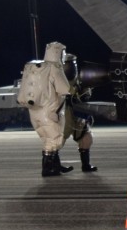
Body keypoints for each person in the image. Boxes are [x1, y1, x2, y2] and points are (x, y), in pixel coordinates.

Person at [28, 42, 76, 176]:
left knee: (47, 139)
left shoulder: (37, 68)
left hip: (35, 111)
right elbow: (65, 89)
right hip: (49, 112)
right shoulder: (54, 68)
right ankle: (48, 168)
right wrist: (73, 90)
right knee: (54, 139)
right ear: (59, 53)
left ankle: (55, 166)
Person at [62, 52, 99, 173]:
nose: (71, 67)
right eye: (68, 65)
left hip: (78, 111)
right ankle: (52, 164)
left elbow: (87, 93)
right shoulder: (56, 80)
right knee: (56, 139)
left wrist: (81, 96)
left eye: (73, 64)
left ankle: (86, 165)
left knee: (86, 138)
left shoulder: (80, 79)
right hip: (62, 112)